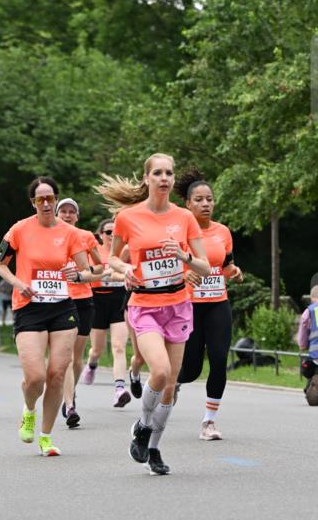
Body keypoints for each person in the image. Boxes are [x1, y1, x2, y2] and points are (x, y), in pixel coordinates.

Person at [98, 152, 210, 475]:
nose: (164, 178)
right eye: (158, 173)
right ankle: (143, 426)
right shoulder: (128, 217)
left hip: (178, 305)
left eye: (169, 173)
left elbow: (203, 265)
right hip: (145, 305)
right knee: (159, 371)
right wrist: (127, 268)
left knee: (171, 386)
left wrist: (184, 255)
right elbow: (113, 259)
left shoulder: (184, 218)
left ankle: (154, 449)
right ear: (146, 178)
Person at [0, 176, 90, 457]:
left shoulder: (70, 233)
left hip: (63, 308)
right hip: (29, 307)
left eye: (50, 198)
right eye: (40, 199)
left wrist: (79, 275)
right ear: (33, 202)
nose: (46, 203)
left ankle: (46, 437)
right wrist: (17, 283)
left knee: (57, 374)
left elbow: (88, 271)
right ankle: (29, 410)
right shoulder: (19, 230)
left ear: (56, 200)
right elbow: (0, 265)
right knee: (35, 377)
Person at [175, 170, 244, 440]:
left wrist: (236, 272)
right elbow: (168, 268)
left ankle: (209, 422)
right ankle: (171, 383)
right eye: (199, 199)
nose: (206, 204)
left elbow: (226, 266)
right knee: (191, 369)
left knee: (218, 359)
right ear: (188, 204)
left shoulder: (223, 232)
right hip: (188, 305)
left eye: (210, 199)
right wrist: (183, 275)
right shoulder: (179, 233)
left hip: (217, 303)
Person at [55, 197, 104, 428]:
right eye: (62, 211)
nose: (66, 215)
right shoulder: (49, 237)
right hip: (61, 301)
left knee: (76, 358)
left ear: (77, 216)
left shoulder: (86, 237)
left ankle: (70, 393)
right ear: (56, 214)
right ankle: (70, 405)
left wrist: (82, 275)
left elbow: (101, 269)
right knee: (65, 357)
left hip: (84, 300)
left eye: (71, 212)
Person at [80, 218, 132, 408]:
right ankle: (92, 364)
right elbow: (88, 274)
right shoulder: (95, 251)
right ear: (101, 235)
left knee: (119, 346)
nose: (112, 236)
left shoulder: (124, 251)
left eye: (114, 232)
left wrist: (121, 274)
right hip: (97, 300)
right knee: (97, 349)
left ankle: (119, 389)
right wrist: (105, 273)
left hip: (119, 299)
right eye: (108, 232)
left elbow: (131, 272)